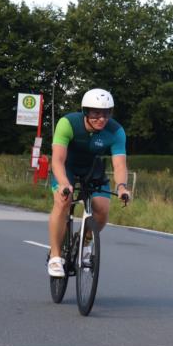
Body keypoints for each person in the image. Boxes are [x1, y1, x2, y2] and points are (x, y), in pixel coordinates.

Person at [47, 89, 131, 277]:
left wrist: (122, 187)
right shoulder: (67, 123)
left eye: (106, 113)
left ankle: (85, 242)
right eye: (96, 113)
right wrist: (63, 183)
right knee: (63, 202)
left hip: (92, 169)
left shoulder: (116, 131)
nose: (101, 118)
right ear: (85, 111)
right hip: (67, 168)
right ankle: (55, 255)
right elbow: (58, 159)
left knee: (102, 209)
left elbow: (119, 165)